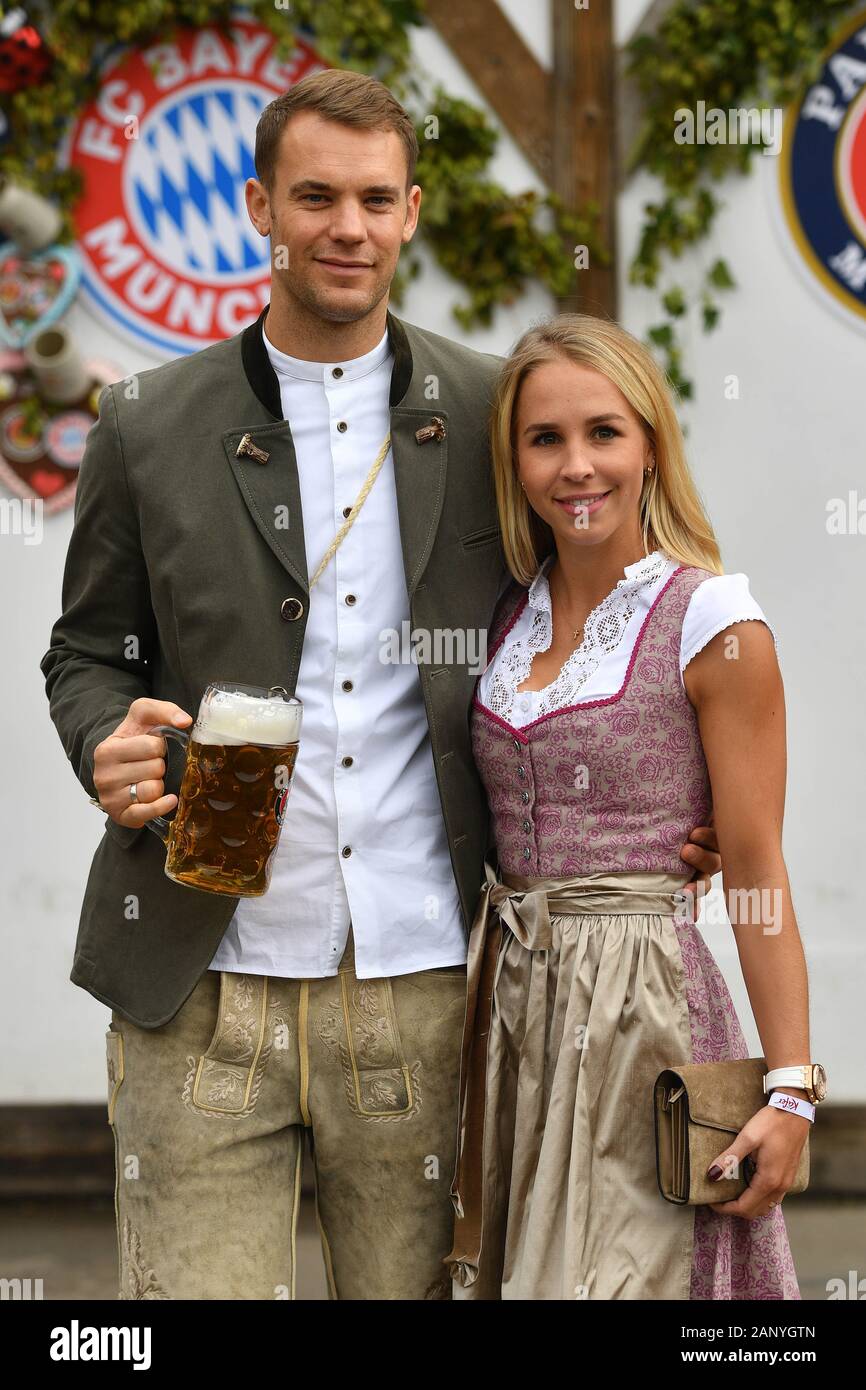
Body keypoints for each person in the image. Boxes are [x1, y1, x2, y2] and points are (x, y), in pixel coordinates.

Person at [41, 70, 721, 1301]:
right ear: (259, 206)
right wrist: (105, 737)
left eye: (372, 198)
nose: (345, 227)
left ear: (409, 211)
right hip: (200, 976)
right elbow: (89, 649)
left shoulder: (490, 408)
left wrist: (676, 791)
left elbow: (599, 603)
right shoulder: (145, 422)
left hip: (429, 983)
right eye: (314, 197)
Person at [444, 313, 818, 1300]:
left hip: (646, 1007)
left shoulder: (711, 619)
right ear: (513, 459)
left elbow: (754, 870)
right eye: (544, 438)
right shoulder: (499, 617)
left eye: (603, 432)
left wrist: (789, 1088)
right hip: (513, 1007)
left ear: (650, 443)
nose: (576, 466)